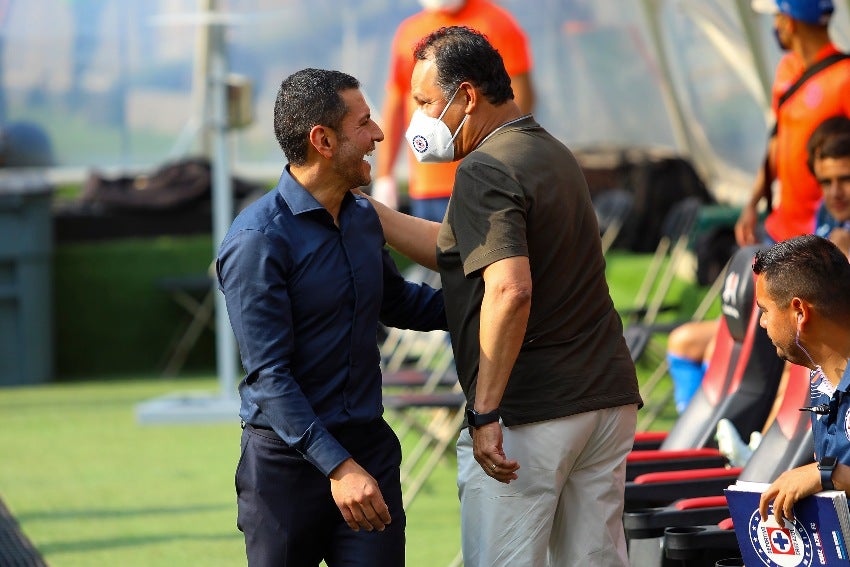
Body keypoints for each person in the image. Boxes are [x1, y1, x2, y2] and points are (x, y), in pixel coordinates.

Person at [363, 26, 642, 566]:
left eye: (424, 102)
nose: (417, 118)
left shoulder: (483, 168)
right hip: (606, 399)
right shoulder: (548, 151)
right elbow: (454, 247)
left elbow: (510, 288)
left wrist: (485, 409)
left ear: (466, 96)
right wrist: (371, 214)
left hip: (534, 413)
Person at [216, 68, 446, 567]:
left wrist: (488, 304)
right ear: (322, 140)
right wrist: (338, 467)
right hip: (286, 469)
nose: (379, 135)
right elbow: (270, 378)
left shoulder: (363, 216)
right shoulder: (258, 240)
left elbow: (399, 302)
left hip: (369, 451)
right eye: (364, 124)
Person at [371, 0, 534, 221]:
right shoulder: (409, 31)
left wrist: (502, 161)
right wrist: (384, 175)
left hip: (483, 179)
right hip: (426, 184)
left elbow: (517, 98)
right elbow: (397, 103)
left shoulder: (496, 22)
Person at [752, 235, 850, 526]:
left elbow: (832, 476)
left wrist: (828, 474)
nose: (762, 323)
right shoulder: (821, 376)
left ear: (800, 312)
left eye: (765, 310)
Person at [736, 0, 850, 247]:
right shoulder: (786, 69)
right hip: (778, 229)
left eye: (777, 16)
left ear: (789, 22)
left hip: (821, 237)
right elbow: (777, 144)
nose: (775, 25)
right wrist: (752, 203)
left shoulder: (845, 76)